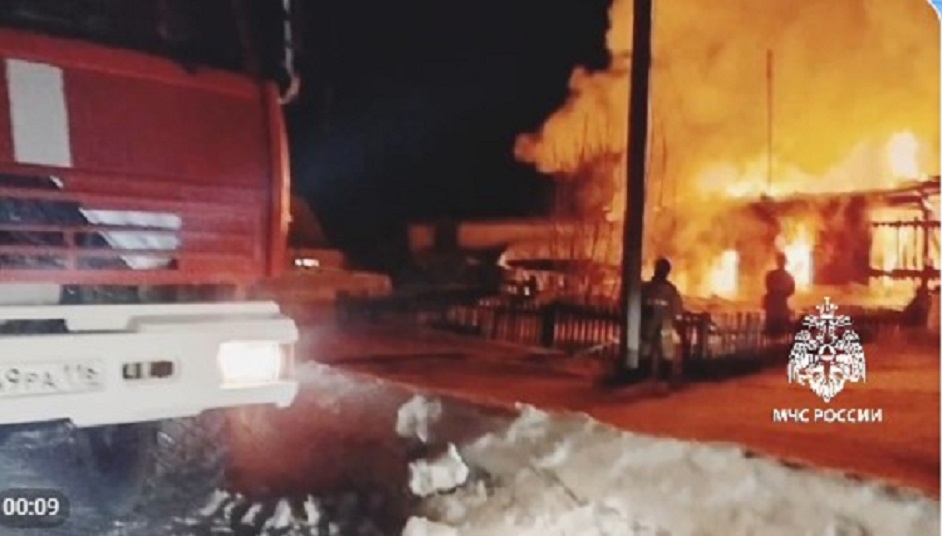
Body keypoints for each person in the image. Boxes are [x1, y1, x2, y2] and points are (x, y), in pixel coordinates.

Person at [640, 258, 684, 376]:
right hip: (663, 322)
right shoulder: (669, 289)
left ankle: (646, 375)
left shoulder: (646, 287)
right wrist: (678, 323)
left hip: (652, 322)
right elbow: (677, 308)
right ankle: (659, 376)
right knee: (662, 350)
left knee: (654, 350)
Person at [763, 252, 796, 337]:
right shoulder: (788, 276)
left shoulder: (771, 275)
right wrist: (782, 294)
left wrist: (777, 294)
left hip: (774, 304)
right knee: (778, 326)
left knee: (774, 326)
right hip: (779, 304)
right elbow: (791, 290)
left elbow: (768, 286)